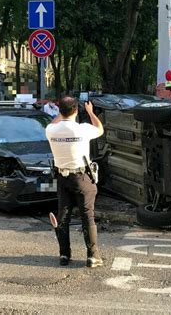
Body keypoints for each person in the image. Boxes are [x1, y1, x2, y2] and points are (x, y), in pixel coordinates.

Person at [45, 96, 104, 268]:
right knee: (87, 215)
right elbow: (99, 129)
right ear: (76, 110)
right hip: (81, 178)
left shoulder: (51, 130)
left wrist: (59, 114)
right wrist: (91, 112)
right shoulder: (83, 129)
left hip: (62, 178)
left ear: (60, 110)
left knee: (63, 216)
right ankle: (92, 256)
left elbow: (55, 123)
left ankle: (64, 255)